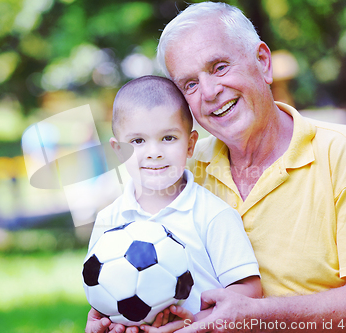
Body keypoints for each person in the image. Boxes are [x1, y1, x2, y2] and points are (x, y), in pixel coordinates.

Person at [152, 2, 346, 332]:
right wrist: (118, 306)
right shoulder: (185, 169)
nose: (209, 92)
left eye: (220, 67)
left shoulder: (341, 151)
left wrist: (256, 314)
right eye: (190, 84)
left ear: (263, 63)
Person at [85, 75, 262, 333]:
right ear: (119, 150)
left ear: (190, 144)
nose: (154, 152)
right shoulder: (108, 221)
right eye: (137, 141)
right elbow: (101, 295)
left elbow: (249, 290)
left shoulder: (213, 215)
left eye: (168, 138)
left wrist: (197, 322)